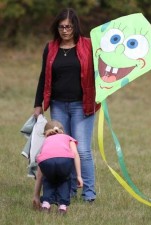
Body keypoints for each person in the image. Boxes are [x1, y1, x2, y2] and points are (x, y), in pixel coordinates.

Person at [33, 8, 99, 201]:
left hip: (83, 105)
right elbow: (43, 77)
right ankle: (68, 191)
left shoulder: (88, 45)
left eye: (68, 26)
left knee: (82, 150)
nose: (65, 30)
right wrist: (38, 104)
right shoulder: (51, 47)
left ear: (75, 26)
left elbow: (102, 71)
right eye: (61, 27)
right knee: (62, 149)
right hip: (58, 105)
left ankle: (89, 194)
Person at [32, 120, 83, 214]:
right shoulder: (68, 138)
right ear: (62, 131)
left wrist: (36, 196)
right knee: (64, 180)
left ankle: (46, 204)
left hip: (46, 162)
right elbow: (75, 154)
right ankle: (62, 207)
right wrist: (79, 176)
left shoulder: (46, 141)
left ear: (45, 134)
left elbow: (39, 175)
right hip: (64, 161)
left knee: (47, 179)